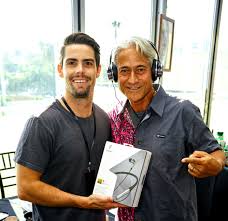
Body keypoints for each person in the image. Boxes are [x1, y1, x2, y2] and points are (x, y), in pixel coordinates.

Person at [108, 36, 225, 221]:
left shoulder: (183, 111)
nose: (132, 79)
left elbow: (217, 154)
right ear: (114, 74)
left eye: (140, 70)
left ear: (155, 71)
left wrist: (214, 164)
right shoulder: (114, 118)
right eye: (124, 71)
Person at [14, 32, 122, 221]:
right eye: (72, 63)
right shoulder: (41, 123)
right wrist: (81, 202)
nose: (80, 70)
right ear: (60, 69)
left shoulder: (104, 119)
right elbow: (25, 188)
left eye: (87, 63)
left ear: (98, 70)